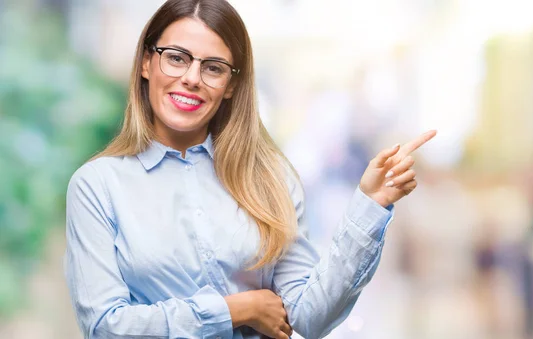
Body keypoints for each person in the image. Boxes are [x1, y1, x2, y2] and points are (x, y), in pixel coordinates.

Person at [63, 1, 436, 338]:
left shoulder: (270, 178)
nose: (192, 77)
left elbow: (309, 318)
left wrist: (370, 204)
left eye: (213, 67)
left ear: (230, 85)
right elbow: (105, 327)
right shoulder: (97, 187)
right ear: (147, 62)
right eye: (176, 57)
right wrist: (236, 309)